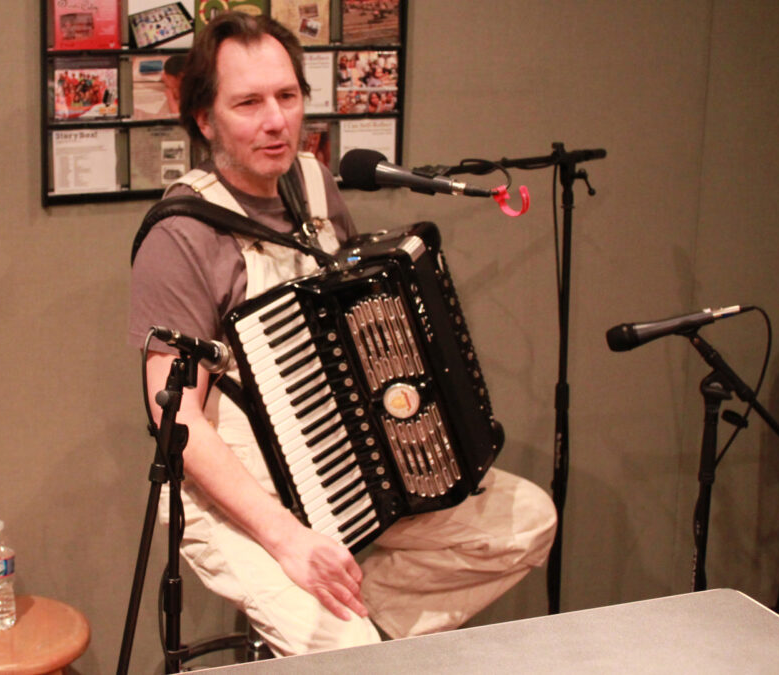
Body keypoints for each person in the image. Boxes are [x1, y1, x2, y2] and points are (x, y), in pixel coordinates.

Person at [128, 11, 556, 657]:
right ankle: (346, 639)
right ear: (205, 119)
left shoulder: (312, 180)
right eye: (248, 102)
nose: (276, 120)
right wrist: (287, 539)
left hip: (345, 472)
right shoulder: (181, 235)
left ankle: (355, 628)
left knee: (527, 521)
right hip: (238, 503)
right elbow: (176, 419)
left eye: (288, 96)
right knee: (345, 650)